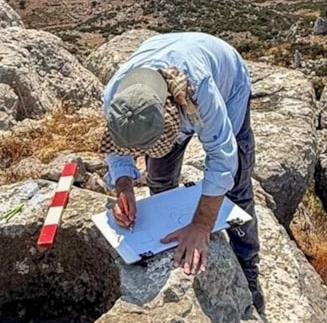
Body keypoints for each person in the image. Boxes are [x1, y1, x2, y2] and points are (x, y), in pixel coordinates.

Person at [100, 32, 264, 312]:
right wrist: (124, 184)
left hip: (229, 84)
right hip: (166, 85)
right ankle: (164, 230)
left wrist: (202, 225)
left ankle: (248, 267)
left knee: (236, 190)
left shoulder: (200, 89)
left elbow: (223, 157)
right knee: (160, 176)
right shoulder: (117, 97)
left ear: (172, 115)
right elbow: (117, 144)